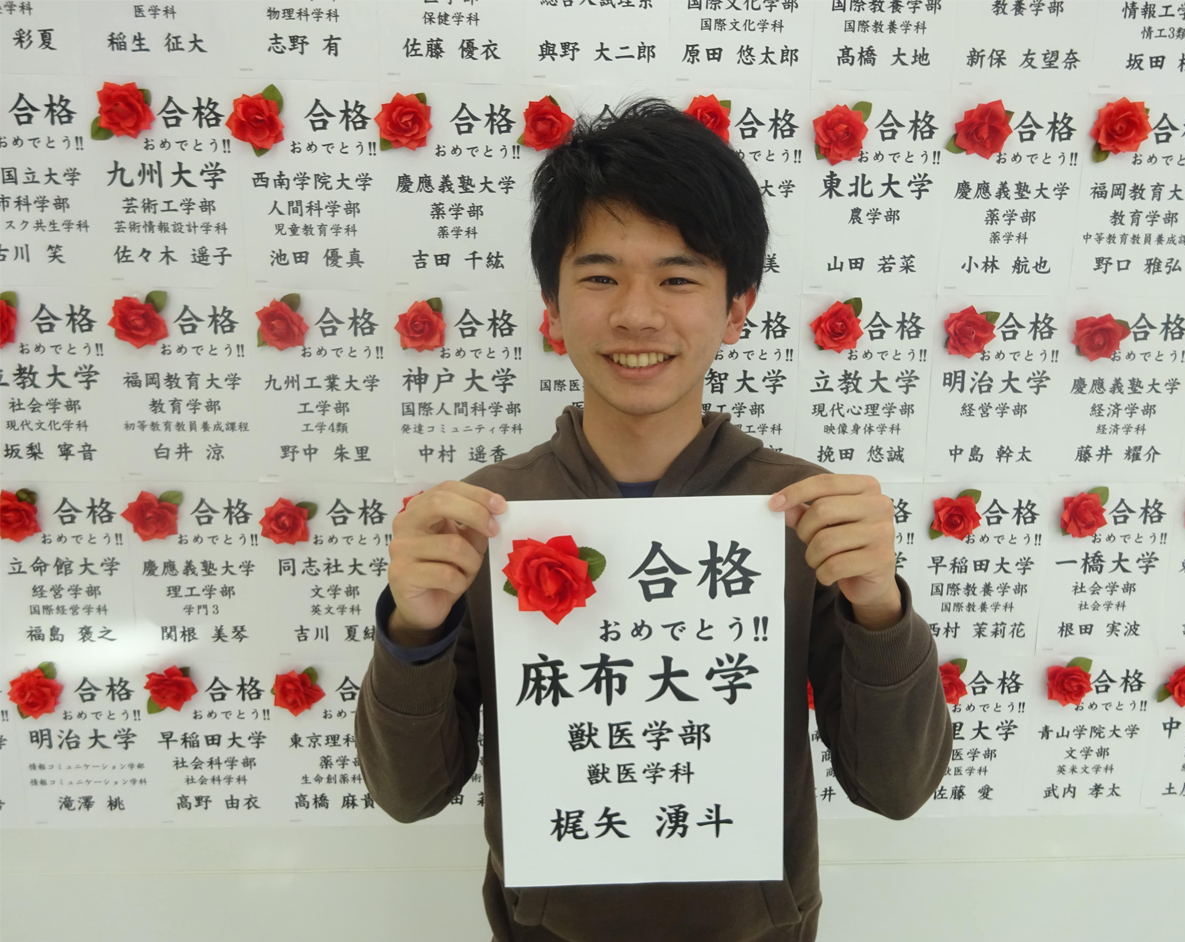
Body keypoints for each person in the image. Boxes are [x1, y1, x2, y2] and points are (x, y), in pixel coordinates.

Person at [355, 96, 952, 942]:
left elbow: (895, 789)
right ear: (552, 306)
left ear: (736, 308)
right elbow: (409, 796)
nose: (637, 313)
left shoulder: (802, 513)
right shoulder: (484, 517)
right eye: (600, 277)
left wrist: (880, 609)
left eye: (678, 277)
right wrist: (413, 630)